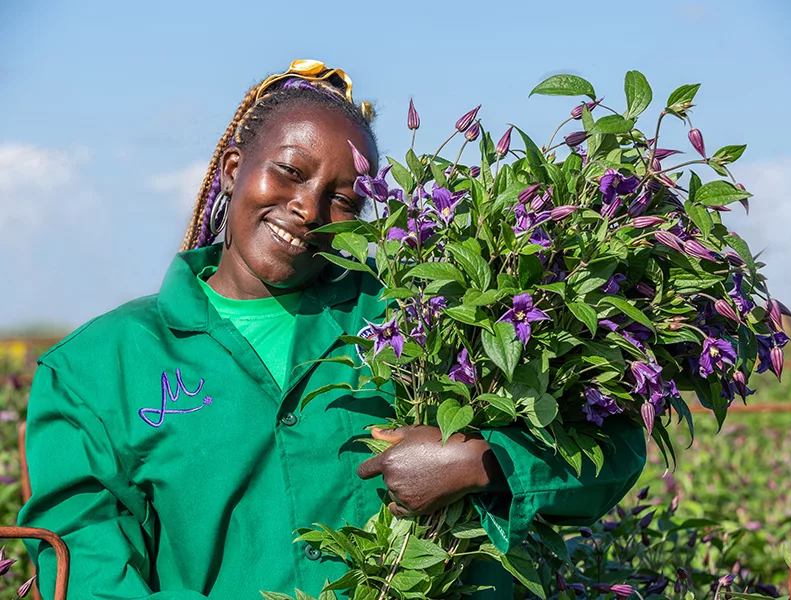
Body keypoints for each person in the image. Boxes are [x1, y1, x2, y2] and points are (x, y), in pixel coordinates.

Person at [19, 59, 647, 599]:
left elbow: (612, 448)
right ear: (233, 168)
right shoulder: (96, 370)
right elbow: (85, 570)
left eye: (345, 199)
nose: (309, 208)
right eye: (289, 172)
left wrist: (484, 461)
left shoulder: (419, 317)